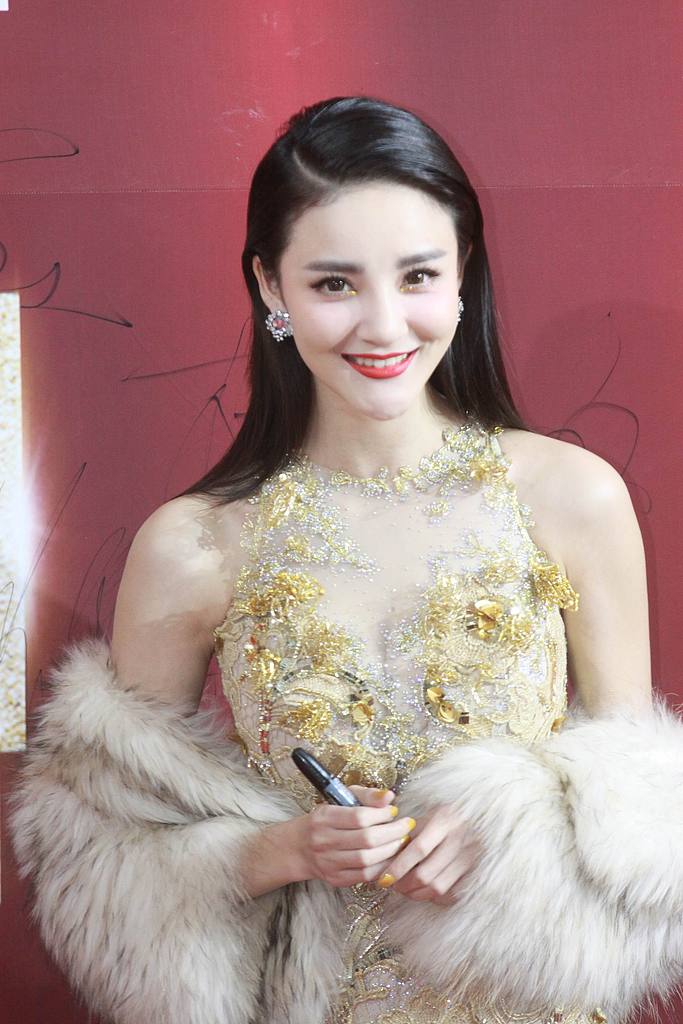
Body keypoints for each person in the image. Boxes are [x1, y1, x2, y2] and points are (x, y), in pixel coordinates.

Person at [10, 96, 683, 1024]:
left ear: (462, 274)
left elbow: (641, 791)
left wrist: (513, 825)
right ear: (270, 287)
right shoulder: (193, 544)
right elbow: (106, 860)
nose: (383, 325)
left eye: (417, 276)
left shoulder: (571, 497)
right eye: (334, 284)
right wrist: (283, 850)